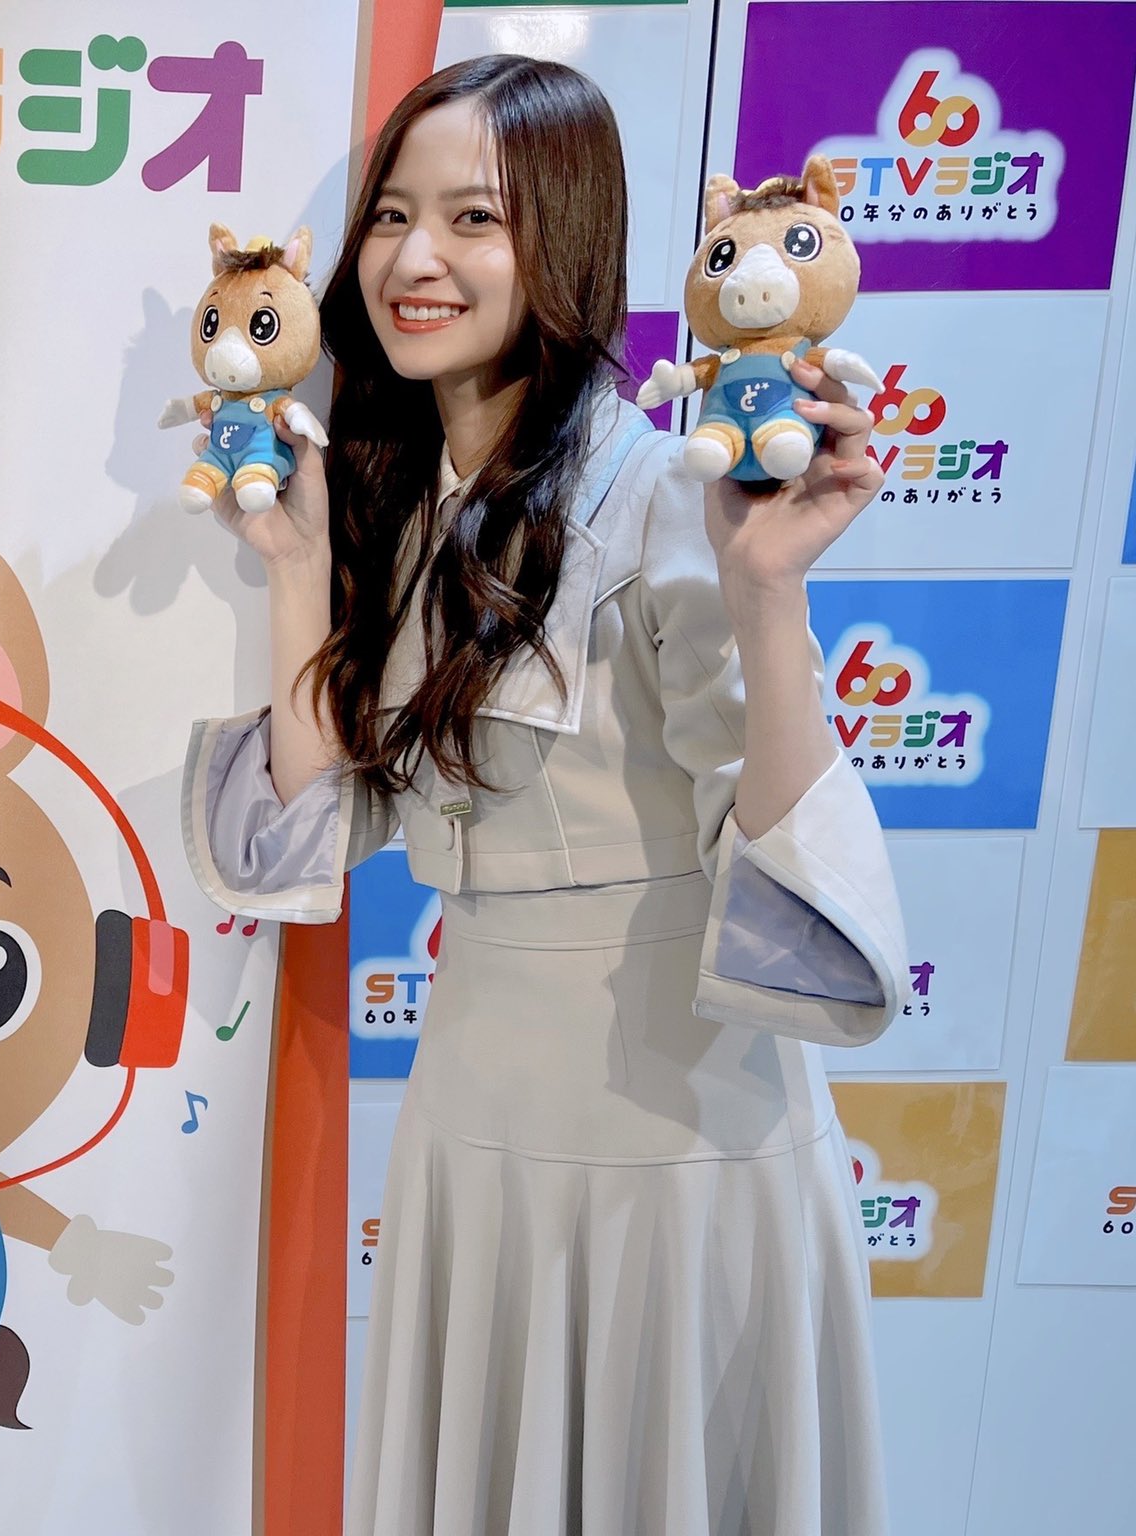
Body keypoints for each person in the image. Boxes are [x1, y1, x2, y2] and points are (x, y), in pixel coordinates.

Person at [178, 56, 909, 1536]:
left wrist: (769, 595)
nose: (415, 259)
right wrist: (299, 567)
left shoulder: (665, 489)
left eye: (475, 219)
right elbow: (306, 841)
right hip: (472, 1123)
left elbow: (782, 870)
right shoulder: (399, 506)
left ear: (565, 244)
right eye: (392, 216)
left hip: (673, 1140)